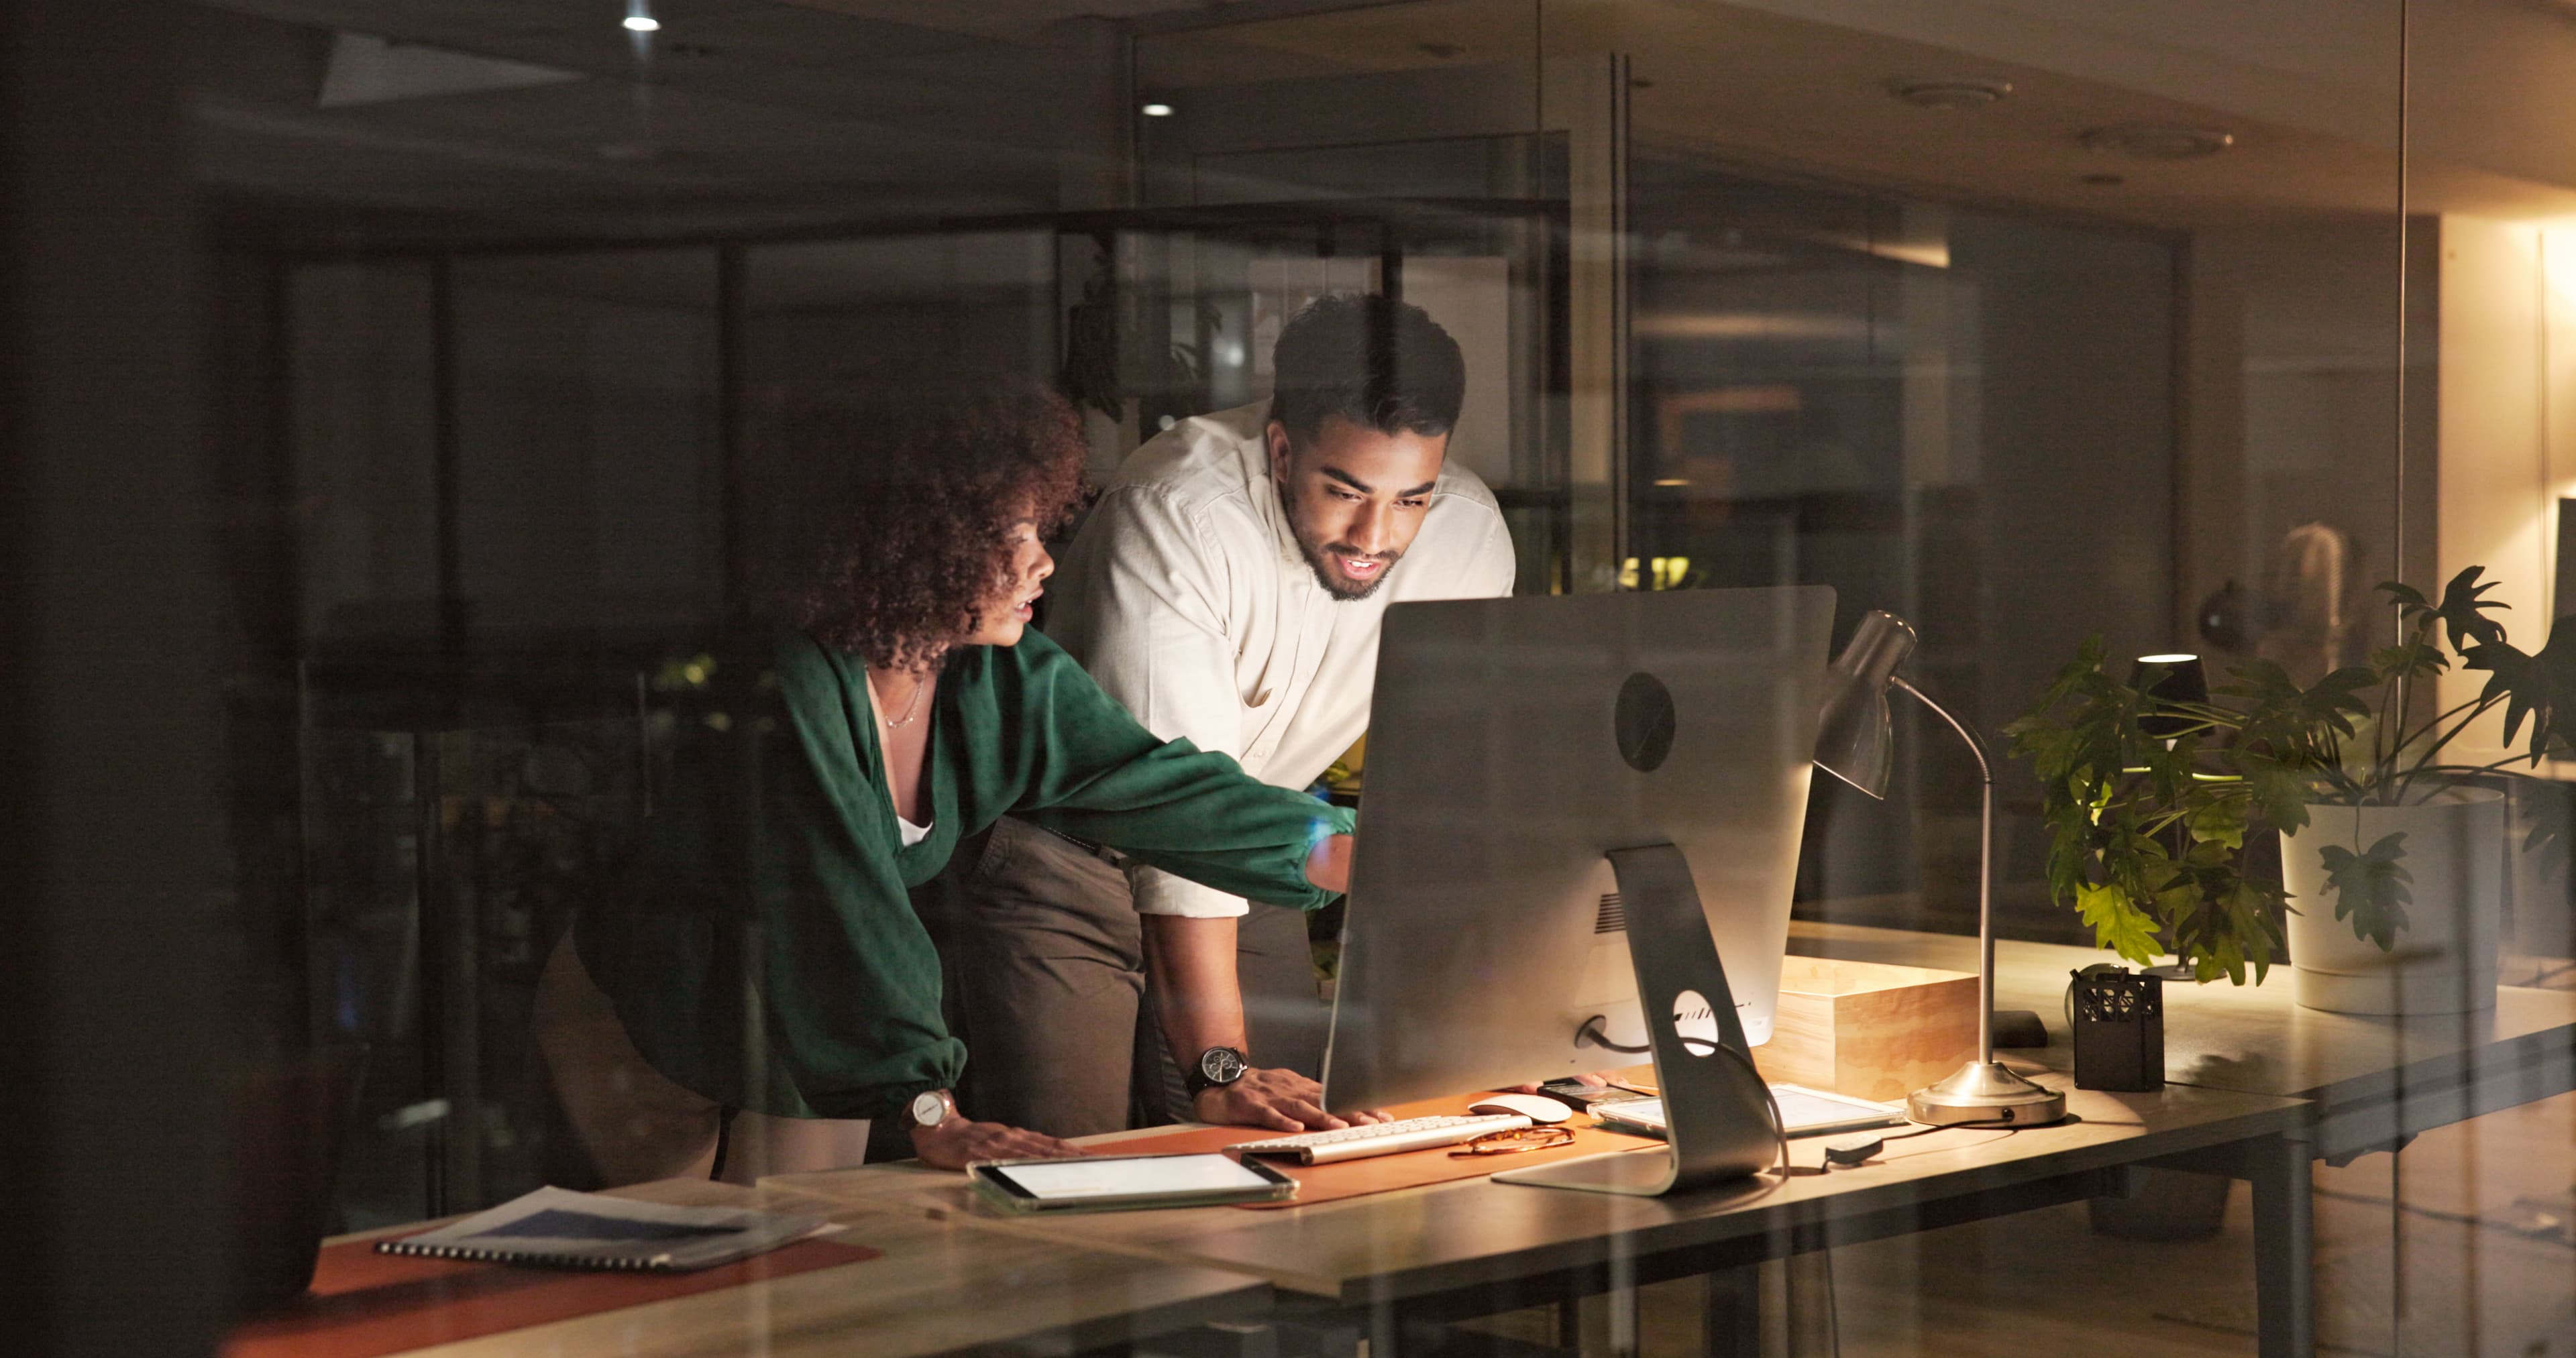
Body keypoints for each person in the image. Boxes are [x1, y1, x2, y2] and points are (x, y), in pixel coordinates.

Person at [532, 378, 1356, 1184]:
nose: (1042, 563)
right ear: (913, 540)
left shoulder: (998, 676)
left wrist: (1356, 855)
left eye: (1040, 529)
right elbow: (845, 905)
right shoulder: (795, 682)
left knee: (804, 1282)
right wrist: (929, 1108)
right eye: (1011, 537)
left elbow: (1163, 790)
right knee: (676, 1285)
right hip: (651, 1017)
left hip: (818, 1027)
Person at [934, 294, 1515, 1138]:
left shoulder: (1469, 536)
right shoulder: (1175, 510)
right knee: (1070, 1164)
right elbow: (1177, 814)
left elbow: (1440, 801)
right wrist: (1218, 1067)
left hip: (1263, 847)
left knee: (1287, 1145)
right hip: (1064, 862)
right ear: (1282, 450)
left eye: (1411, 499)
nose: (1375, 535)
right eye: (1344, 490)